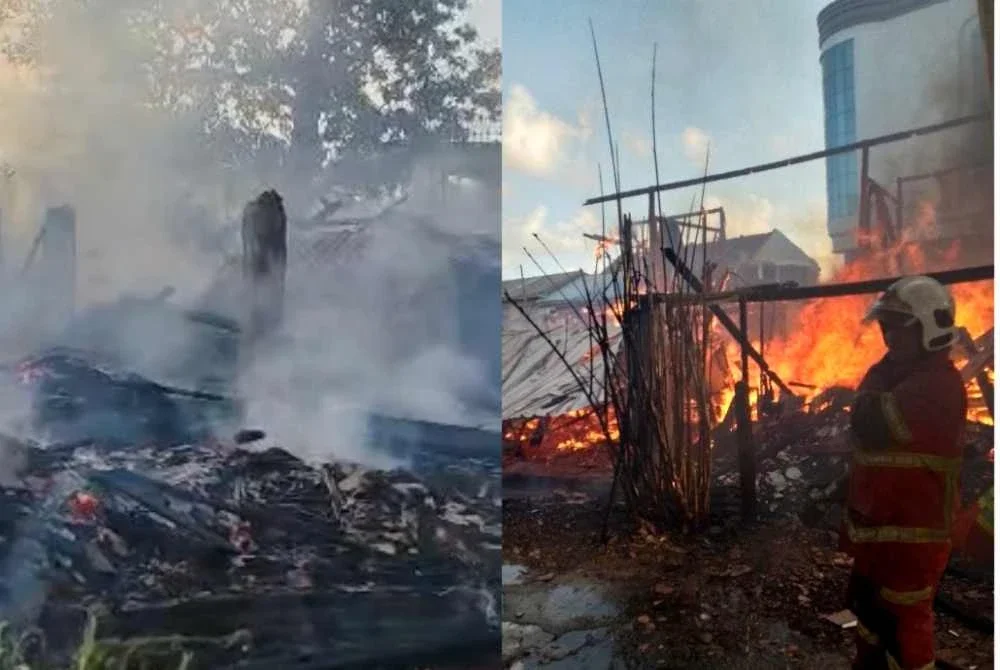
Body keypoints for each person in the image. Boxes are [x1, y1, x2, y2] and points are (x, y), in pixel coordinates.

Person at [841, 275, 967, 670]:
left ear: (930, 328)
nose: (890, 337)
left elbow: (871, 421)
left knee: (905, 629)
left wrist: (873, 389)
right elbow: (865, 411)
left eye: (900, 327)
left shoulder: (939, 385)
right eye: (886, 326)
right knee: (870, 619)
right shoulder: (901, 377)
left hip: (914, 541)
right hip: (880, 533)